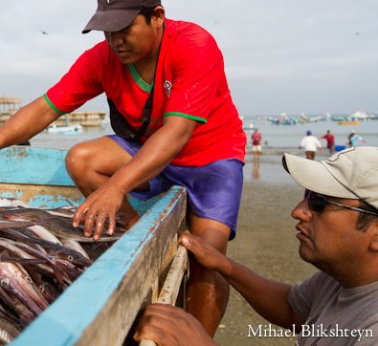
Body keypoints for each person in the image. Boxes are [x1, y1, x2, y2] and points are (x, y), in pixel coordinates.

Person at [0, 0, 246, 335]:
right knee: (81, 159)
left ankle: (199, 338)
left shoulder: (195, 45)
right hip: (147, 152)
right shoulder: (102, 59)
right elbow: (47, 106)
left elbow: (177, 133)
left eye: (124, 28)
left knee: (208, 257)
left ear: (157, 17)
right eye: (108, 30)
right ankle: (143, 242)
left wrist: (117, 187)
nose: (115, 40)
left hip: (209, 159)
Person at [134, 146, 378, 346]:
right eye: (307, 194)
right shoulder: (341, 279)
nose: (298, 211)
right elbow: (291, 307)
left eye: (319, 202)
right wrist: (224, 264)